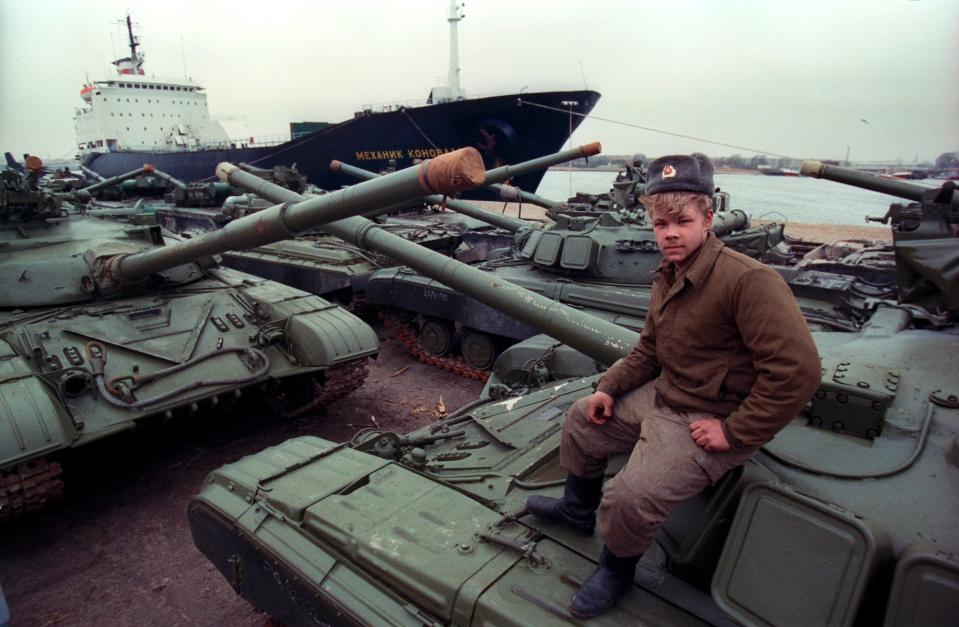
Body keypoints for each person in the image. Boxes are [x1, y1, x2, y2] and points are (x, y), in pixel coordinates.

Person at [525, 153, 821, 618]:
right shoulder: (669, 274)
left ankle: (616, 569)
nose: (670, 233)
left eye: (682, 221)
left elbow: (798, 372)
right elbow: (649, 351)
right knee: (582, 419)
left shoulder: (748, 281)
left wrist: (736, 432)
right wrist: (608, 387)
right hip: (668, 395)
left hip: (711, 416)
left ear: (708, 217)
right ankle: (577, 512)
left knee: (630, 498)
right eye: (661, 223)